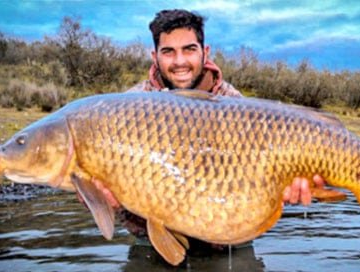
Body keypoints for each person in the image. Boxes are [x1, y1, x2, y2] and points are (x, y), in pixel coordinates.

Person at [121, 9, 331, 242]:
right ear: (155, 56)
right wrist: (109, 201)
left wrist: (283, 189)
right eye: (169, 52)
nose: (180, 61)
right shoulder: (128, 106)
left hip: (226, 237)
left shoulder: (232, 101)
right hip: (150, 237)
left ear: (205, 52)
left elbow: (263, 179)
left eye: (189, 49)